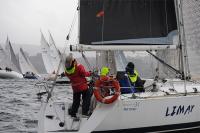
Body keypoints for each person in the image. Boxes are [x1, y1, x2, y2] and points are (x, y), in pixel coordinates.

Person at [64, 53, 92, 117]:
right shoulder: (79, 67)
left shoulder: (66, 71)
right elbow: (84, 74)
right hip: (83, 87)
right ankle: (84, 113)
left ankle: (73, 113)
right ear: (73, 61)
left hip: (75, 88)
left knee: (76, 101)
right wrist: (90, 73)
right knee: (86, 98)